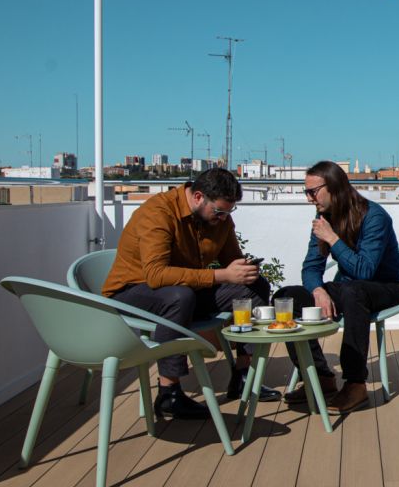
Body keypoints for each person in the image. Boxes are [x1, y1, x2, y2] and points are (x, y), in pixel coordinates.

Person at [101, 167, 279, 420]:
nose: (223, 218)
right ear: (198, 197)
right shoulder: (158, 213)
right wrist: (221, 275)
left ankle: (243, 374)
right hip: (132, 292)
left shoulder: (219, 219)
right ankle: (169, 392)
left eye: (229, 212)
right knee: (179, 297)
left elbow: (231, 261)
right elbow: (156, 275)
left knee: (254, 286)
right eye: (219, 212)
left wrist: (243, 269)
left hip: (187, 290)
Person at [273, 161, 399, 414]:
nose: (308, 198)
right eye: (306, 192)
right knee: (286, 297)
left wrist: (332, 238)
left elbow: (365, 271)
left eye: (312, 192)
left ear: (334, 187)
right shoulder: (324, 219)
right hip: (350, 288)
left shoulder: (374, 216)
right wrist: (317, 291)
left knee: (353, 291)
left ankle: (356, 384)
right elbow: (311, 267)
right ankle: (319, 376)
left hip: (388, 286)